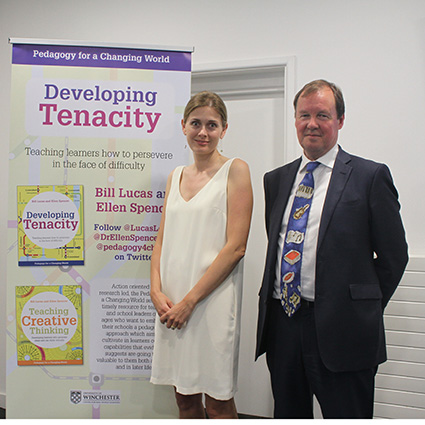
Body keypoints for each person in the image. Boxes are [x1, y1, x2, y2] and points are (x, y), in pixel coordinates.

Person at [255, 79, 408, 419]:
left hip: (345, 331)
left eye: (322, 115)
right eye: (304, 115)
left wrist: (360, 307)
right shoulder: (275, 180)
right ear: (295, 120)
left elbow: (395, 256)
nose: (312, 123)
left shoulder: (370, 177)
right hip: (284, 324)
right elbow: (276, 244)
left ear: (340, 120)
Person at [150, 91, 253, 419]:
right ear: (183, 126)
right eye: (196, 123)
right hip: (172, 303)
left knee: (219, 401)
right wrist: (155, 290)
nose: (203, 132)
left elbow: (236, 247)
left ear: (224, 129)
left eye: (212, 124)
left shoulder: (236, 170)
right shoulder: (175, 176)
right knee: (183, 397)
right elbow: (162, 238)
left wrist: (190, 302)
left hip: (209, 303)